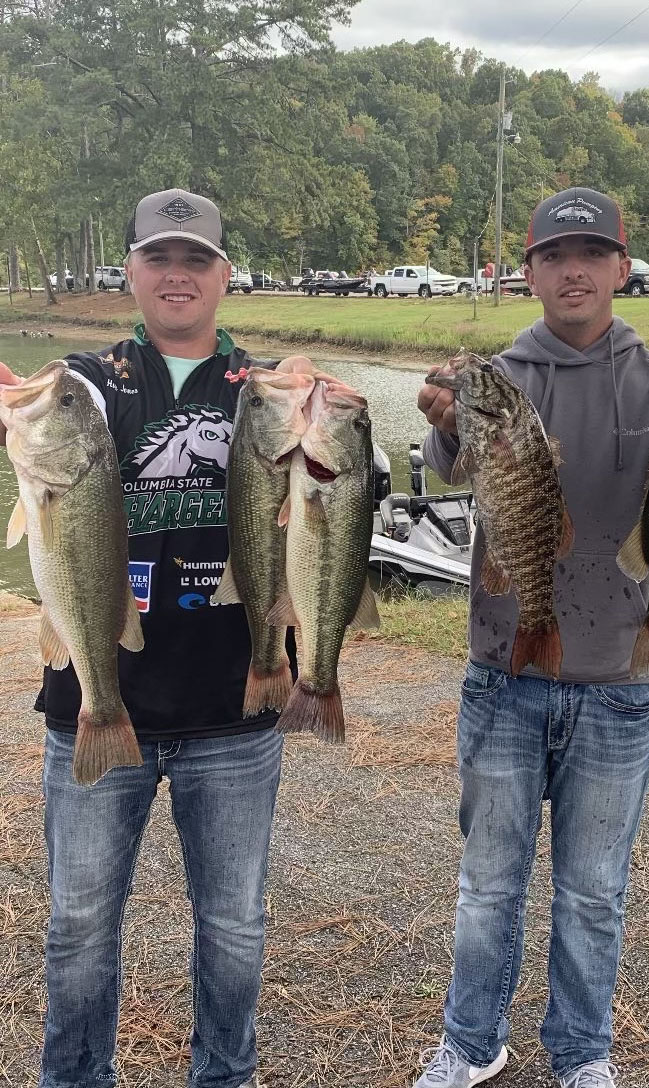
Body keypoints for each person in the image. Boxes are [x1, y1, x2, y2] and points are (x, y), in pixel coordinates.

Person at [414, 186, 649, 1088]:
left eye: (590, 254)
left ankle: (582, 1052)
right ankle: (470, 1042)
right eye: (551, 256)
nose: (571, 271)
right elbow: (449, 473)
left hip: (622, 678)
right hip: (502, 673)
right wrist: (442, 422)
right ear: (528, 273)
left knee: (592, 893)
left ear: (621, 267)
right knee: (485, 887)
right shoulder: (495, 377)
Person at [0, 188, 350, 1088]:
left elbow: (348, 483)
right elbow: (41, 419)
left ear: (225, 276)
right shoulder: (86, 382)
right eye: (159, 258)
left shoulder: (269, 392)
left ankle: (223, 1078)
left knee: (233, 925)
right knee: (79, 924)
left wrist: (333, 413)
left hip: (232, 711)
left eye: (196, 260)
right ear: (131, 272)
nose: (177, 275)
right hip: (93, 703)